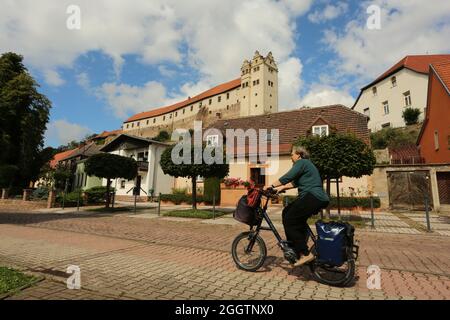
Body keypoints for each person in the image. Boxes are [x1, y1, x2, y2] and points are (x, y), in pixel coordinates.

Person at [268, 145, 329, 266]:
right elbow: (294, 182)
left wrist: (271, 186)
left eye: (292, 154)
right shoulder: (306, 165)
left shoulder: (302, 163)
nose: (291, 157)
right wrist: (280, 188)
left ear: (299, 155)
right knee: (287, 212)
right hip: (314, 197)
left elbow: (288, 176)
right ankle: (295, 248)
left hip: (312, 197)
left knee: (290, 220)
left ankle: (305, 253)